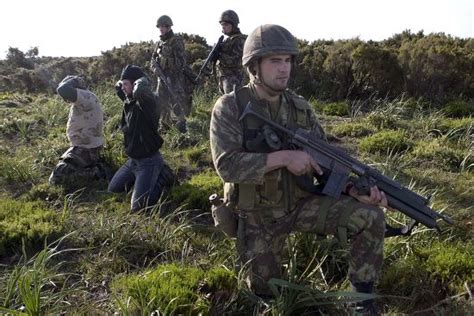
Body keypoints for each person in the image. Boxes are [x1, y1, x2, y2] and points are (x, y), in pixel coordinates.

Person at [210, 25, 387, 314]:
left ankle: (360, 301)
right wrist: (283, 158)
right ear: (254, 66)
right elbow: (226, 166)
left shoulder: (300, 108)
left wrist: (354, 190)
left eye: (288, 60)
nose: (284, 69)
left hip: (302, 204)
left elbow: (326, 165)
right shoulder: (230, 107)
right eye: (274, 61)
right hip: (258, 216)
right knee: (268, 298)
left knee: (370, 216)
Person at [108, 65, 174, 212]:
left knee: (139, 207)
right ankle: (142, 181)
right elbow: (121, 92)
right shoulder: (129, 102)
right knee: (114, 189)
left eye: (126, 84)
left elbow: (144, 94)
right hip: (133, 161)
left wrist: (141, 82)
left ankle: (163, 175)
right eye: (122, 83)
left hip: (149, 161)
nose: (123, 88)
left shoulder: (148, 102)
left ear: (136, 85)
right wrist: (121, 85)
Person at [49, 75, 104, 185]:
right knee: (64, 168)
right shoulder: (86, 97)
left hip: (85, 148)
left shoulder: (83, 96)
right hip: (86, 147)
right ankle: (90, 167)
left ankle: (93, 173)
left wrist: (72, 81)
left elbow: (63, 89)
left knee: (56, 178)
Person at [151, 15, 187, 133]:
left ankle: (181, 126)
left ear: (168, 27)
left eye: (163, 27)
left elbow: (182, 61)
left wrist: (171, 69)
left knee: (176, 101)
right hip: (161, 78)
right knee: (162, 102)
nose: (161, 29)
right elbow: (153, 60)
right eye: (160, 27)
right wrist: (155, 69)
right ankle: (165, 126)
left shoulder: (176, 41)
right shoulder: (159, 43)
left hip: (173, 78)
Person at [216, 10, 247, 94]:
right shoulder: (227, 40)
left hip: (234, 80)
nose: (223, 27)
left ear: (234, 25)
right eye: (222, 24)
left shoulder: (239, 40)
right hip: (224, 78)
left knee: (234, 105)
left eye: (226, 24)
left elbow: (236, 62)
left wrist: (219, 55)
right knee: (225, 105)